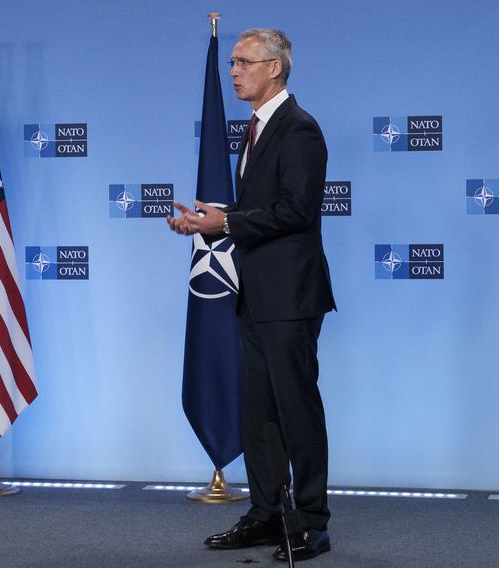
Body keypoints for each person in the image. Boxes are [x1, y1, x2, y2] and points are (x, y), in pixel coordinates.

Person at [167, 28, 336, 562]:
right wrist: (208, 226)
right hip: (255, 294)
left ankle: (312, 522)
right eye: (233, 62)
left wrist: (229, 219)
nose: (233, 71)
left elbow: (296, 210)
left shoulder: (300, 130)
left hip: (290, 298)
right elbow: (261, 214)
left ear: (275, 69)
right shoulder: (257, 128)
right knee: (258, 414)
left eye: (243, 63)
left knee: (296, 411)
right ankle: (267, 515)